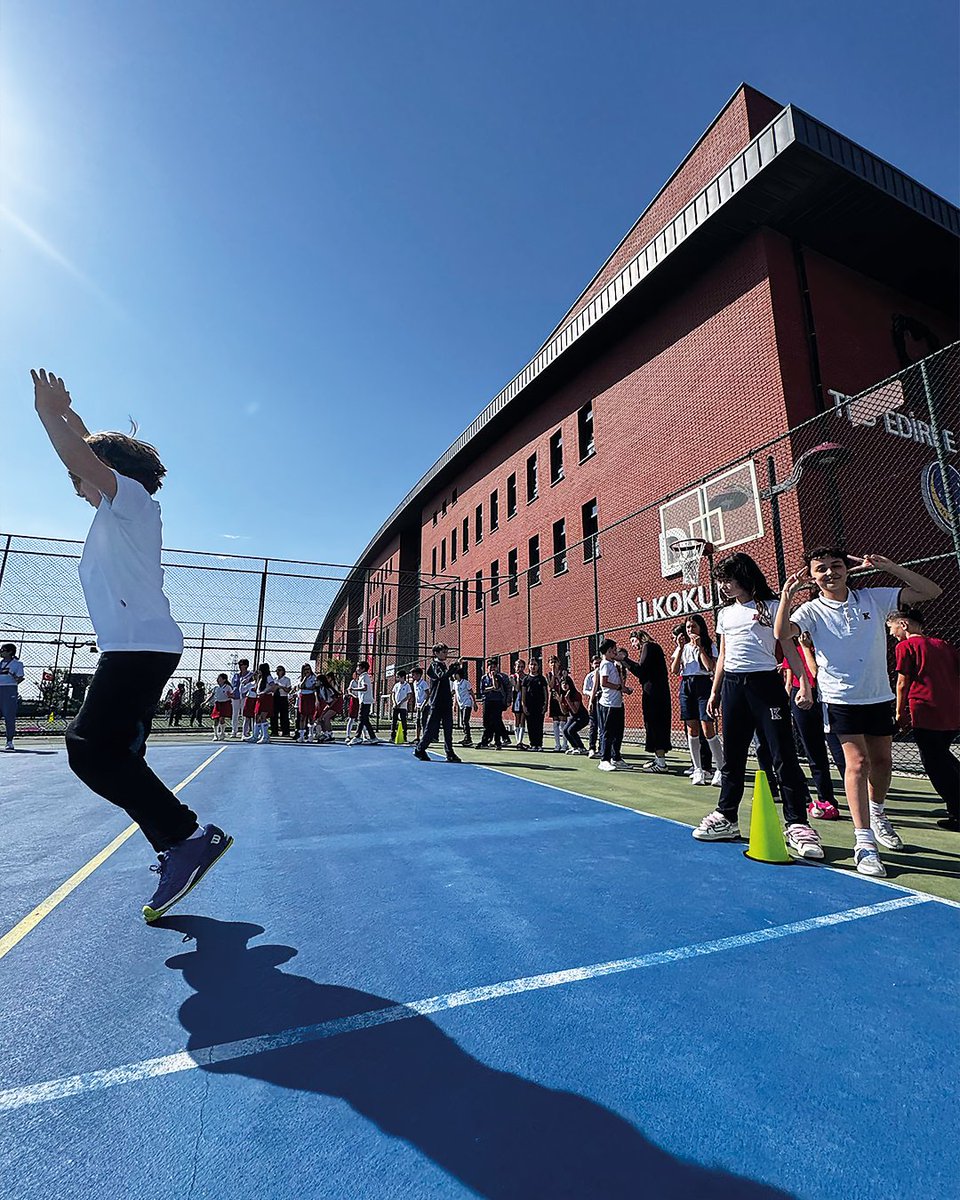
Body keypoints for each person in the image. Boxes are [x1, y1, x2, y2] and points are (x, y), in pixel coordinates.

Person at [32, 367, 232, 922]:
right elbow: (88, 455)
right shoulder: (116, 511)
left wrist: (48, 415)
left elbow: (85, 460)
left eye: (82, 478)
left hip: (139, 647)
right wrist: (72, 418)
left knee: (88, 748)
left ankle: (188, 837)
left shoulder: (133, 501)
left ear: (110, 473)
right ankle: (176, 845)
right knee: (115, 755)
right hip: (136, 647)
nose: (75, 486)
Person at [776, 546, 942, 877]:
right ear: (812, 576)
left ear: (847, 569)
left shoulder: (873, 599)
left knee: (882, 763)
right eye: (820, 569)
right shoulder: (810, 611)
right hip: (840, 698)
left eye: (835, 566)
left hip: (877, 696)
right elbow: (781, 634)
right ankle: (864, 844)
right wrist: (786, 596)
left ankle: (877, 812)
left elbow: (931, 590)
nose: (830, 572)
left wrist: (892, 565)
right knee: (859, 763)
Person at [692, 553, 822, 860]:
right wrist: (715, 691)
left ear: (745, 577)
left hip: (765, 686)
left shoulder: (772, 607)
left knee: (783, 755)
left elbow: (788, 646)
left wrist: (803, 682)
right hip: (734, 687)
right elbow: (723, 655)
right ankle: (726, 817)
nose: (723, 586)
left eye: (728, 580)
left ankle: (797, 824)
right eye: (720, 581)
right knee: (733, 757)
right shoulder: (725, 614)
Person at [887, 606, 960, 831]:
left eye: (892, 628)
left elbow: (902, 682)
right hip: (951, 710)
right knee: (942, 756)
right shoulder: (944, 645)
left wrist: (900, 713)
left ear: (904, 624)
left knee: (934, 762)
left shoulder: (906, 646)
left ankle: (957, 809)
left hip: (926, 710)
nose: (891, 634)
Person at [781, 635, 840, 820]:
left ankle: (864, 800)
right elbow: (789, 679)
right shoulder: (792, 650)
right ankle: (826, 799)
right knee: (813, 751)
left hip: (824, 697)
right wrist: (787, 700)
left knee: (839, 750)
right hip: (800, 698)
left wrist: (806, 648)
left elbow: (815, 674)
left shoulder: (822, 649)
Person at [670, 615, 722, 785]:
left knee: (707, 728)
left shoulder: (709, 645)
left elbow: (709, 667)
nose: (690, 630)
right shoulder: (683, 647)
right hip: (686, 685)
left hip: (703, 685)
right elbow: (675, 670)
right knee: (692, 729)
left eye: (693, 627)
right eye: (688, 628)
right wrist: (680, 648)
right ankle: (698, 768)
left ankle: (720, 768)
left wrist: (699, 648)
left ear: (701, 628)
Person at [625, 631, 672, 773]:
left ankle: (661, 764)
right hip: (657, 691)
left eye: (633, 641)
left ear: (639, 638)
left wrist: (625, 660)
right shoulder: (652, 648)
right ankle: (659, 760)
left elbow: (641, 670)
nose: (633, 645)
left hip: (654, 693)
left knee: (654, 723)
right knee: (654, 723)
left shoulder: (648, 646)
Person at [413, 644, 461, 763]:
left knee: (448, 728)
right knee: (431, 728)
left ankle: (449, 752)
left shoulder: (443, 665)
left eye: (446, 651)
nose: (446, 654)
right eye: (443, 651)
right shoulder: (435, 666)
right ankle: (420, 749)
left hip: (445, 701)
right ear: (436, 653)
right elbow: (441, 676)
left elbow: (447, 677)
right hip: (437, 701)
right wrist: (453, 667)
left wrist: (454, 668)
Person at [596, 639, 631, 771]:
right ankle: (604, 759)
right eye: (613, 650)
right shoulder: (605, 664)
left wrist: (625, 689)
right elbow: (604, 683)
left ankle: (616, 757)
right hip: (608, 704)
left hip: (617, 703)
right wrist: (618, 688)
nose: (615, 652)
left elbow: (618, 683)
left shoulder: (614, 665)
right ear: (608, 651)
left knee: (618, 732)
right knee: (608, 732)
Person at [478, 658, 510, 749]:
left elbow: (497, 687)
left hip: (497, 701)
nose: (492, 669)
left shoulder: (499, 677)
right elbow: (482, 690)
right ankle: (486, 740)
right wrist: (491, 688)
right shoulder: (484, 678)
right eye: (490, 667)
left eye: (494, 667)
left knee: (497, 721)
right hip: (487, 701)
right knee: (487, 722)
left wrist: (493, 678)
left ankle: (498, 742)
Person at [0, 642, 25, 751]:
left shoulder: (17, 664)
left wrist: (13, 675)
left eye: (3, 650)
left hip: (9, 690)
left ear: (10, 652)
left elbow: (19, 679)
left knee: (9, 716)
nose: (1, 652)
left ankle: (9, 741)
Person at [348, 660, 379, 745]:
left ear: (363, 668)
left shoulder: (365, 677)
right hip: (363, 700)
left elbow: (364, 688)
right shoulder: (362, 676)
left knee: (361, 718)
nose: (357, 669)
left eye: (358, 667)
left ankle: (357, 737)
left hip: (365, 701)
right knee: (365, 720)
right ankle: (373, 737)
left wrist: (353, 689)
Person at [520, 659, 549, 750]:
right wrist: (524, 705)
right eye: (531, 664)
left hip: (539, 705)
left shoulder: (541, 678)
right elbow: (523, 693)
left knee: (539, 725)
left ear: (538, 666)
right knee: (531, 725)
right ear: (528, 666)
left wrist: (545, 704)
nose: (533, 666)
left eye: (535, 665)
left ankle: (539, 744)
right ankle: (533, 744)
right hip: (529, 706)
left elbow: (545, 692)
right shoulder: (526, 679)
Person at [560, 674, 589, 754]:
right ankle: (575, 747)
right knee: (565, 730)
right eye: (563, 684)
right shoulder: (563, 695)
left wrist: (568, 700)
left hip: (582, 717)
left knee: (571, 730)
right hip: (573, 717)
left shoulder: (576, 694)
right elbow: (564, 712)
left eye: (566, 683)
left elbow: (575, 710)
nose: (564, 685)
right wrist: (560, 702)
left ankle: (582, 748)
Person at [546, 656, 569, 752]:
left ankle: (565, 744)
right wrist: (554, 675)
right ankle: (557, 744)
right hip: (554, 697)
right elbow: (551, 686)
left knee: (563, 719)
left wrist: (559, 676)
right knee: (555, 720)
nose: (553, 664)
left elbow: (564, 684)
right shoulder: (549, 675)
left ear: (559, 663)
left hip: (562, 696)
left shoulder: (563, 672)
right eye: (551, 662)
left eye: (555, 662)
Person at [251, 662, 277, 743]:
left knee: (263, 717)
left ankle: (265, 736)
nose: (259, 671)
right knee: (257, 717)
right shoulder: (260, 678)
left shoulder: (268, 677)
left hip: (266, 698)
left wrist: (265, 692)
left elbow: (273, 687)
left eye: (260, 669)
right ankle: (255, 735)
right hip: (260, 698)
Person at [583, 653, 602, 757]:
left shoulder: (604, 673)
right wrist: (593, 693)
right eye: (595, 663)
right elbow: (585, 690)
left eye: (599, 663)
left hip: (603, 700)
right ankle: (592, 748)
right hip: (594, 701)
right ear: (591, 665)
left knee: (602, 727)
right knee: (593, 725)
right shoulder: (589, 676)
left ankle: (601, 748)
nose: (597, 665)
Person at [230, 659, 253, 739]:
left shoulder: (250, 675)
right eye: (240, 665)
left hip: (245, 696)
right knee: (235, 714)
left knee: (245, 714)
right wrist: (232, 693)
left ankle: (245, 731)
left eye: (242, 664)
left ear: (246, 665)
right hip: (236, 697)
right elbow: (233, 685)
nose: (240, 666)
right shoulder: (236, 675)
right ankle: (234, 731)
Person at [452, 667, 475, 747]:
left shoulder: (466, 683)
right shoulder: (454, 683)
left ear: (459, 675)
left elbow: (471, 693)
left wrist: (474, 703)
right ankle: (466, 738)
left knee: (465, 721)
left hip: (467, 703)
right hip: (460, 704)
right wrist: (454, 704)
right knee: (463, 721)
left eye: (455, 674)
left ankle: (468, 738)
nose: (454, 675)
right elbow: (455, 694)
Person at [209, 674, 234, 742]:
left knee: (221, 718)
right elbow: (212, 695)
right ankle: (215, 734)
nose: (218, 680)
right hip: (217, 704)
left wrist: (230, 695)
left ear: (224, 680)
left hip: (225, 703)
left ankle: (222, 733)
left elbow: (232, 694)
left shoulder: (228, 687)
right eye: (217, 678)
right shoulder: (216, 688)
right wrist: (205, 702)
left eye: (219, 678)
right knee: (215, 719)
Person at [295, 663, 316, 743]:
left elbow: (314, 687)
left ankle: (310, 735)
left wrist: (308, 688)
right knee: (302, 717)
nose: (307, 671)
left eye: (308, 669)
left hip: (310, 697)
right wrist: (305, 679)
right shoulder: (301, 678)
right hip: (303, 697)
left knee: (311, 716)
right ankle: (302, 736)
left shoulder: (314, 677)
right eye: (305, 669)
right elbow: (301, 686)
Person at [391, 669, 413, 743]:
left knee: (403, 721)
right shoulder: (396, 685)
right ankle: (392, 736)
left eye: (399, 677)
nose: (398, 678)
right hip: (395, 707)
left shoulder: (407, 685)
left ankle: (404, 736)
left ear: (403, 677)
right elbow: (393, 694)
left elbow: (408, 696)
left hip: (403, 707)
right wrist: (394, 702)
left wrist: (401, 702)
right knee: (394, 721)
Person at [271, 666, 293, 739]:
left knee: (284, 715)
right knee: (274, 715)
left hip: (283, 697)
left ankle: (285, 732)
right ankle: (274, 731)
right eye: (276, 670)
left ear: (283, 671)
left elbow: (288, 690)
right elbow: (272, 689)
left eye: (279, 670)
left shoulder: (287, 680)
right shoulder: (274, 680)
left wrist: (281, 687)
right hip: (275, 697)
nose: (278, 672)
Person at [511, 659, 527, 747]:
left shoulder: (526, 677)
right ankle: (518, 741)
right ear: (515, 667)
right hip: (516, 700)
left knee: (522, 720)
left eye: (522, 667)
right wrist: (517, 678)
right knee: (517, 720)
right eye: (518, 667)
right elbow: (516, 688)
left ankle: (520, 741)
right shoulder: (512, 677)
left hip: (524, 700)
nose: (520, 669)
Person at [411, 666, 429, 742]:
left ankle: (425, 738)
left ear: (419, 675)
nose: (413, 676)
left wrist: (423, 704)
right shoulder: (415, 683)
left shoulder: (424, 683)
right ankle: (417, 737)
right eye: (413, 674)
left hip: (425, 705)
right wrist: (416, 704)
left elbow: (428, 695)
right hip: (418, 705)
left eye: (414, 674)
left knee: (423, 721)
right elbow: (416, 695)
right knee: (417, 721)